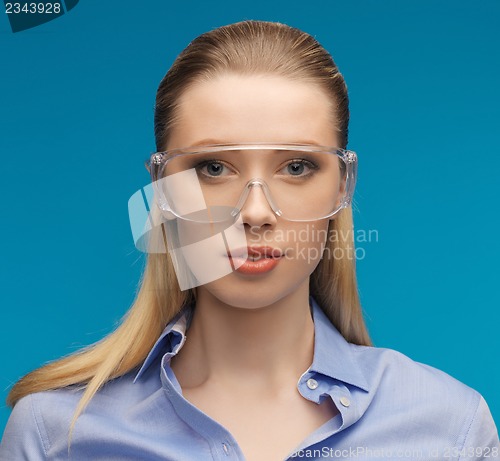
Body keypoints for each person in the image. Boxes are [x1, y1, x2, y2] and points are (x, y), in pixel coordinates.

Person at [1, 20, 498, 461]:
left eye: (297, 166)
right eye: (213, 168)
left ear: (344, 185)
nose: (256, 213)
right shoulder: (54, 437)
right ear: (161, 191)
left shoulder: (450, 430)